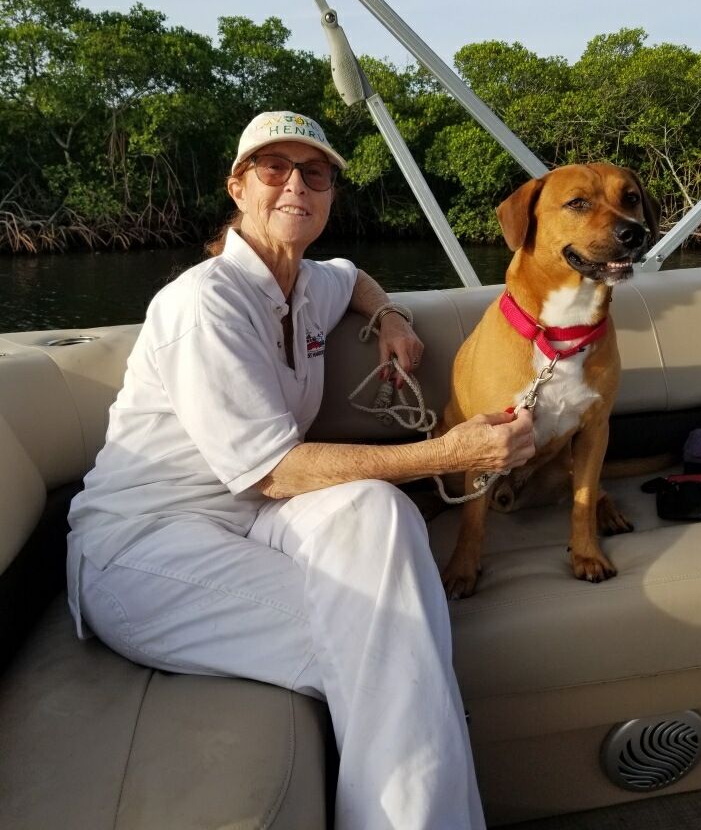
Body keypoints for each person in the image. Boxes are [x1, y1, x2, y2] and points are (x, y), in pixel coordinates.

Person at [67, 110, 536, 830]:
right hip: (145, 551)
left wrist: (390, 320)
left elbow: (354, 279)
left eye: (313, 173)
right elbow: (274, 473)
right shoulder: (203, 305)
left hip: (253, 523)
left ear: (329, 195)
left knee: (378, 512)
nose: (295, 185)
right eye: (273, 168)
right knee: (386, 646)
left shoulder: (307, 280)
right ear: (237, 186)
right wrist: (449, 454)